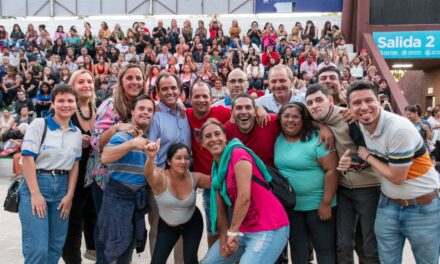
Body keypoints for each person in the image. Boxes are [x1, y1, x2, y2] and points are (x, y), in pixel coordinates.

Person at [338, 81, 440, 264]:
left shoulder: (398, 129)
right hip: (388, 205)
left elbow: (397, 177)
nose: (364, 107)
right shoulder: (359, 121)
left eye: (369, 100)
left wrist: (366, 156)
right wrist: (352, 162)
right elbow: (321, 110)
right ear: (349, 107)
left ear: (378, 100)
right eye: (356, 103)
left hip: (423, 207)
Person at [305, 84, 381, 263]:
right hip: (344, 188)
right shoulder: (317, 117)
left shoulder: (350, 117)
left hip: (368, 186)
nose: (314, 105)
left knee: (369, 244)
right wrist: (322, 125)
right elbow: (299, 115)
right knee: (343, 243)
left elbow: (372, 152)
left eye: (319, 100)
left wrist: (354, 164)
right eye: (310, 102)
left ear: (330, 100)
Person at [200, 118, 289, 263]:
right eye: (208, 136)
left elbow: (244, 196)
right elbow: (221, 209)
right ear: (202, 144)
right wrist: (223, 238)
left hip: (268, 226)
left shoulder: (238, 153)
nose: (214, 139)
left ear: (224, 137)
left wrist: (232, 232)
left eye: (217, 134)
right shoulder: (216, 170)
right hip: (243, 229)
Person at [86, 64, 147, 263]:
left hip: (129, 179)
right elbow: (96, 144)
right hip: (106, 178)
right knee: (107, 229)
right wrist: (117, 128)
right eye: (129, 78)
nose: (135, 82)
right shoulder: (109, 106)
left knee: (126, 230)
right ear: (120, 81)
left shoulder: (142, 105)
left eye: (138, 78)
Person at [19, 84, 82, 264]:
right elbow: (28, 159)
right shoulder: (40, 124)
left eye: (70, 100)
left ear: (76, 104)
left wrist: (69, 195)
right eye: (60, 100)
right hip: (38, 183)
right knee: (37, 249)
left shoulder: (76, 133)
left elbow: (74, 166)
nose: (66, 104)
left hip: (62, 187)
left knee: (55, 246)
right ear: (53, 103)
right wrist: (35, 194)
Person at [275, 102, 338, 264]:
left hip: (318, 206)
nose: (290, 120)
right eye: (286, 116)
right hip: (291, 207)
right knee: (298, 250)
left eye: (296, 116)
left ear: (303, 120)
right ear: (280, 119)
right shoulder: (278, 137)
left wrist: (326, 203)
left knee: (324, 250)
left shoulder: (317, 138)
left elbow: (331, 170)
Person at [99, 95, 155, 263]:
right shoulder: (124, 135)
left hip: (133, 201)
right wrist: (132, 144)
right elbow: (105, 157)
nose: (145, 112)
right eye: (141, 109)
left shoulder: (147, 138)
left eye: (149, 110)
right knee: (114, 248)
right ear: (132, 112)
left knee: (126, 249)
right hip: (117, 200)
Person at [148, 72, 191, 263]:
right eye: (164, 88)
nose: (169, 92)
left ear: (180, 90)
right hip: (162, 182)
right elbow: (150, 150)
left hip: (185, 181)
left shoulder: (183, 114)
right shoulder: (155, 116)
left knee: (183, 230)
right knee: (159, 228)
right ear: (158, 92)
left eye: (173, 87)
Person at [144, 142, 211, 264]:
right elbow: (148, 174)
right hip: (168, 227)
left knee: (190, 260)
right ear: (169, 161)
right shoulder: (161, 178)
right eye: (178, 158)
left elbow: (218, 181)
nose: (183, 162)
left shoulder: (195, 178)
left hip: (193, 223)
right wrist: (150, 157)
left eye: (186, 158)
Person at [62, 70, 98, 263]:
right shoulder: (65, 110)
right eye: (80, 81)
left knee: (93, 220)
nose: (86, 85)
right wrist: (75, 141)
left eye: (89, 81)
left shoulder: (98, 110)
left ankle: (92, 251)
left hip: (94, 178)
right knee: (73, 225)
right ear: (72, 86)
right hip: (71, 179)